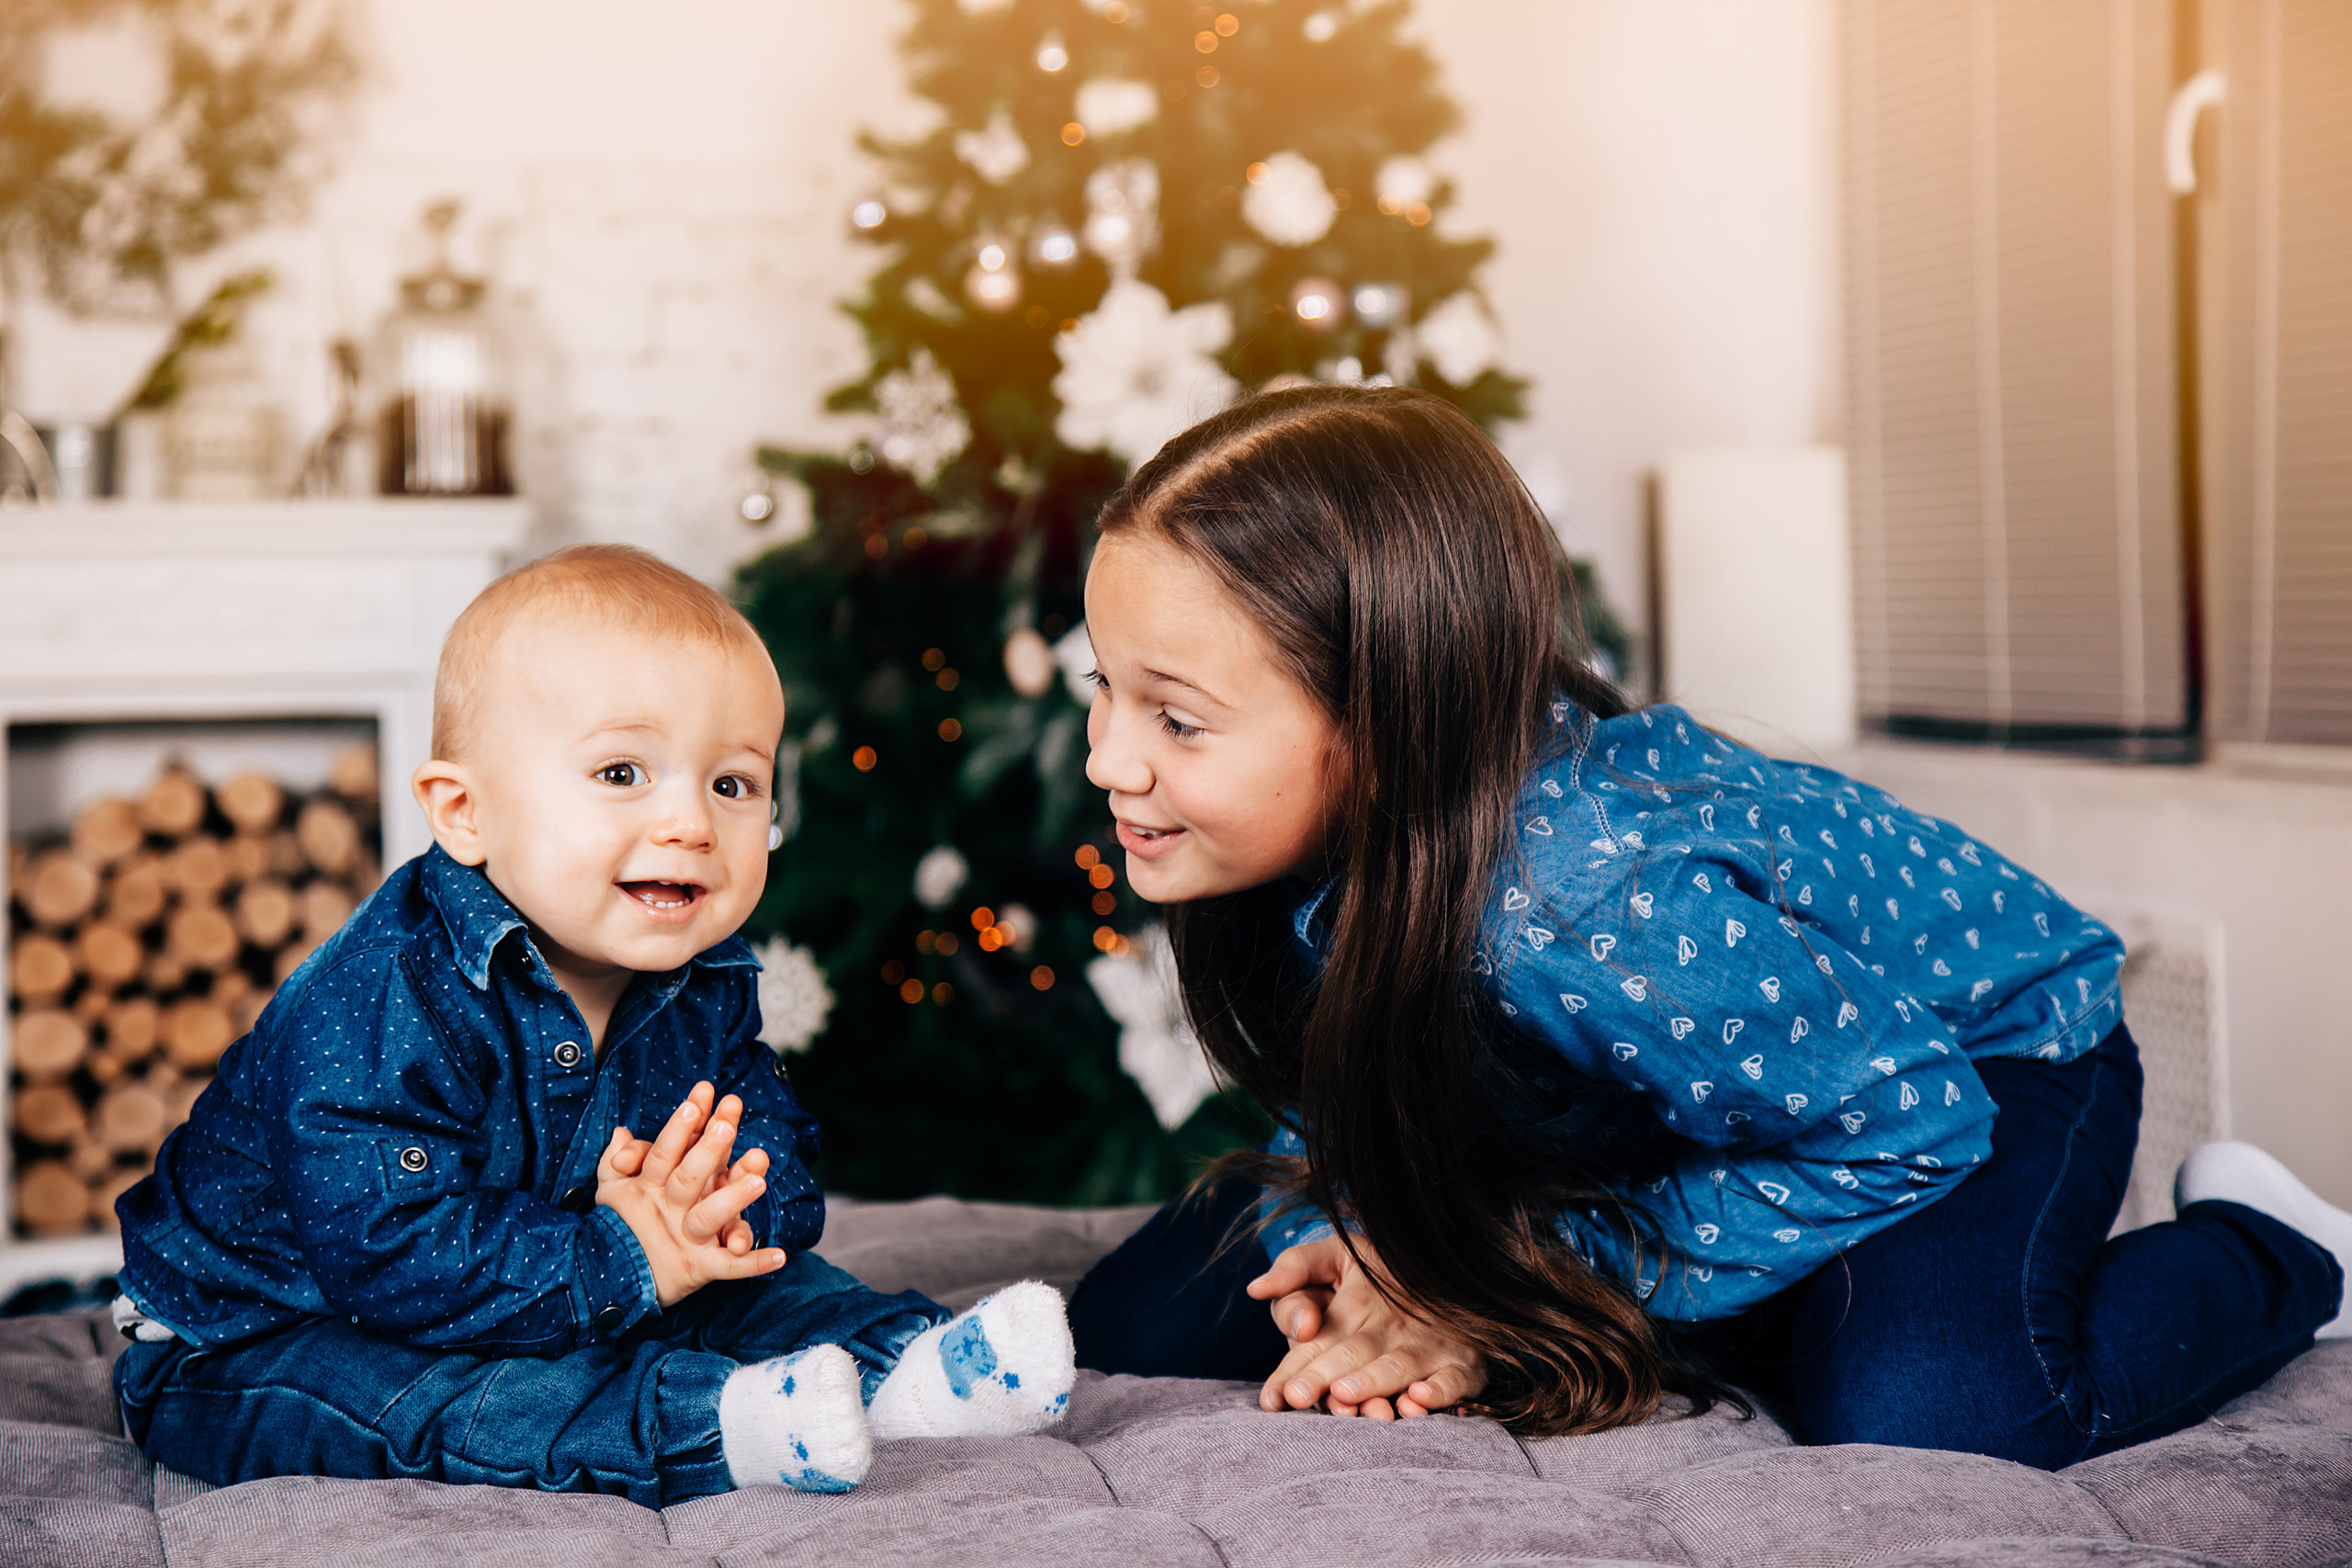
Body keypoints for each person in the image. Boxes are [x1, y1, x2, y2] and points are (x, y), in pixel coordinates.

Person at [1064, 384, 2349, 1469]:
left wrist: (1502, 1298)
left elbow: (1914, 1119)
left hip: (1972, 1066)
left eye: (1176, 718)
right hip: (1697, 1081)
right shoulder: (1319, 845)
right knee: (1141, 1313)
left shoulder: (1584, 910)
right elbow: (1361, 1080)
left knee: (1936, 1410)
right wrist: (1347, 1235)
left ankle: (2279, 1245)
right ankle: (1733, 1283)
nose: (1112, 759)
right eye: (1102, 688)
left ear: (1389, 722)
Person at [111, 545, 1074, 1504]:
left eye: (731, 784)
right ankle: (716, 1428)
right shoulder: (383, 997)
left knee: (767, 1283)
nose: (691, 823)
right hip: (266, 1329)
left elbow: (763, 1142)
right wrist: (626, 1256)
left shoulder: (701, 978)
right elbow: (385, 1252)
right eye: (622, 772)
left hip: (571, 1265)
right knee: (440, 1404)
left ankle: (910, 1370)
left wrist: (713, 1218)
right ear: (464, 814)